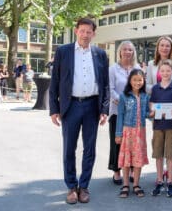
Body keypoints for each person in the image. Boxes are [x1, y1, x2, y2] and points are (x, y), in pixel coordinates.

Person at [49, 18, 109, 205]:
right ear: (76, 31)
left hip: (92, 106)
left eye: (88, 31)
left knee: (89, 149)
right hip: (71, 106)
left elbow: (105, 84)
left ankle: (84, 187)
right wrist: (54, 109)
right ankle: (71, 187)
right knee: (69, 148)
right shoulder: (63, 52)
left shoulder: (100, 54)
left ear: (93, 34)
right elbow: (55, 82)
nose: (85, 34)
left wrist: (104, 109)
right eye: (82, 31)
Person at [108, 41, 140, 185]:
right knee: (117, 142)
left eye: (130, 50)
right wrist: (121, 100)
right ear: (120, 52)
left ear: (133, 52)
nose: (127, 52)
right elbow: (110, 88)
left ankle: (133, 170)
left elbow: (140, 86)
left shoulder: (137, 68)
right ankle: (116, 171)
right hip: (117, 112)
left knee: (133, 143)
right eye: (125, 49)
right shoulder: (113, 69)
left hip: (134, 113)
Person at [115, 69, 150, 198]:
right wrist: (118, 133)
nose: (137, 82)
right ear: (130, 81)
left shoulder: (145, 96)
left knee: (138, 158)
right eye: (134, 79)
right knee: (126, 159)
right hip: (127, 132)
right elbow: (120, 115)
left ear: (143, 81)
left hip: (140, 132)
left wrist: (152, 114)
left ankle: (136, 184)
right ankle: (125, 184)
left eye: (140, 80)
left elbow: (146, 113)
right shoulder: (124, 96)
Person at [149, 60, 172, 197]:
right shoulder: (155, 88)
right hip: (158, 125)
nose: (165, 73)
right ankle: (160, 180)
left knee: (170, 155)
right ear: (159, 72)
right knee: (158, 154)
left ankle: (170, 181)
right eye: (163, 71)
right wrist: (152, 110)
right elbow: (152, 103)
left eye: (168, 71)